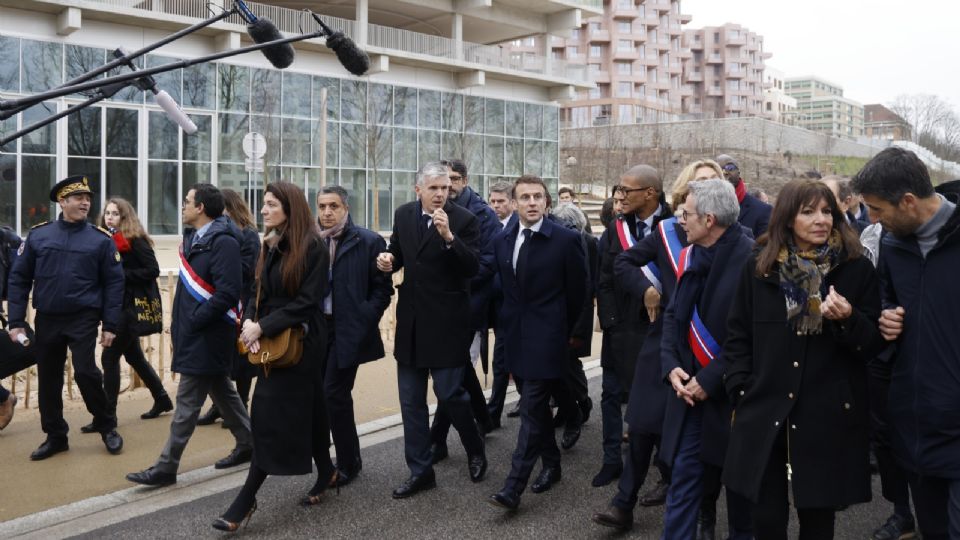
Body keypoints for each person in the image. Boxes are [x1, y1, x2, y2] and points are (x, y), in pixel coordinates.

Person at [722, 179, 882, 538]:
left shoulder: (856, 269)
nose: (821, 220)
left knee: (818, 520)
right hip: (765, 409)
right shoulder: (759, 268)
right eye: (808, 212)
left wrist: (848, 319)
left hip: (826, 413)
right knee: (765, 519)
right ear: (787, 219)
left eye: (827, 211)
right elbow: (737, 336)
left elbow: (873, 345)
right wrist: (740, 389)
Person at [593, 159, 721, 532]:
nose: (706, 188)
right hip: (664, 336)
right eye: (699, 183)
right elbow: (623, 264)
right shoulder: (668, 231)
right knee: (643, 421)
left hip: (708, 344)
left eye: (714, 182)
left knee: (695, 431)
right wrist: (647, 290)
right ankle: (624, 503)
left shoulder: (734, 237)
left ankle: (700, 509)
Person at [851, 147, 960, 540]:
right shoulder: (894, 247)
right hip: (916, 427)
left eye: (877, 210)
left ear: (909, 201)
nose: (872, 220)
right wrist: (887, 316)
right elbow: (888, 300)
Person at [212, 182, 333, 531]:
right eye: (264, 205)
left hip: (300, 344)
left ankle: (244, 501)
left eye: (269, 205)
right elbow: (255, 290)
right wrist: (249, 319)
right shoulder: (271, 242)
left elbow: (308, 302)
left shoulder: (313, 246)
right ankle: (327, 471)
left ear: (289, 208)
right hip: (270, 337)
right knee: (312, 409)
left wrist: (262, 326)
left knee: (266, 416)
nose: (262, 211)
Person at [126, 184, 252, 487]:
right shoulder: (196, 239)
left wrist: (194, 321)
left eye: (187, 201)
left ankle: (166, 467)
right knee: (224, 393)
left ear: (201, 208)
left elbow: (227, 293)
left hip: (209, 334)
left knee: (186, 405)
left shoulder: (224, 243)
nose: (183, 206)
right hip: (197, 332)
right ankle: (249, 444)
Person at [376, 161, 487, 499]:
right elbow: (399, 250)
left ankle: (475, 448)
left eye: (445, 188)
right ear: (418, 190)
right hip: (411, 322)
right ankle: (421, 471)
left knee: (451, 394)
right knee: (410, 402)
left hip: (447, 322)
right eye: (434, 188)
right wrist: (388, 260)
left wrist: (449, 237)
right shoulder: (405, 214)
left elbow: (472, 268)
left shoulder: (464, 220)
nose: (441, 194)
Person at [658, 179, 754, 540]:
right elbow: (673, 317)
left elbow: (755, 339)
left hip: (734, 397)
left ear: (709, 219)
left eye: (687, 213)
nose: (681, 220)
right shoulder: (690, 254)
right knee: (683, 481)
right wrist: (670, 366)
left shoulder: (753, 260)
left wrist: (710, 379)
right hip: (689, 395)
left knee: (741, 495)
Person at [487, 175, 587, 512]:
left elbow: (578, 294)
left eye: (538, 197)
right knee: (538, 408)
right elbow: (505, 291)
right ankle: (553, 464)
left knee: (530, 408)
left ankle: (513, 488)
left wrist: (565, 331)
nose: (532, 202)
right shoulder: (503, 240)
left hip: (549, 338)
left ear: (547, 202)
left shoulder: (566, 240)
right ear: (513, 204)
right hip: (515, 337)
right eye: (525, 197)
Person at [7, 175, 125, 459]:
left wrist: (110, 325)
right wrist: (16, 321)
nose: (86, 202)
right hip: (48, 318)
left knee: (86, 372)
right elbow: (19, 278)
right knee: (49, 378)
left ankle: (106, 425)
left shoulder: (100, 240)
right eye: (78, 198)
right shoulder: (39, 235)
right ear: (62, 201)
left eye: (88, 198)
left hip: (83, 317)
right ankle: (56, 435)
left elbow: (114, 284)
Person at [593, 164, 671, 488]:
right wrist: (610, 322)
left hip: (658, 327)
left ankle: (664, 466)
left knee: (656, 399)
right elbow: (605, 278)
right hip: (621, 326)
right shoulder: (616, 228)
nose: (619, 197)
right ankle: (612, 459)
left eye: (627, 191)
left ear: (649, 193)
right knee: (610, 393)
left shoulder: (674, 225)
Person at [317, 185, 393, 487]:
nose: (326, 212)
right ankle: (329, 458)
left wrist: (364, 317)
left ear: (345, 208)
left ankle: (349, 462)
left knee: (333, 393)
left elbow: (383, 290)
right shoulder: (312, 241)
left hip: (349, 329)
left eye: (333, 206)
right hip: (318, 329)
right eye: (322, 206)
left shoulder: (369, 241)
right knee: (323, 396)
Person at [429, 158, 499, 463]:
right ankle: (483, 419)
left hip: (469, 305)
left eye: (453, 180)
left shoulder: (481, 215)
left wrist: (454, 271)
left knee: (451, 375)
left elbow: (485, 264)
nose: (449, 187)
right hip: (437, 308)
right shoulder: (429, 210)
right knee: (460, 370)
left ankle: (437, 440)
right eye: (443, 181)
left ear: (465, 181)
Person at [85, 198, 172, 431]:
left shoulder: (135, 240)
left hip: (130, 308)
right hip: (117, 305)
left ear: (125, 217)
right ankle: (162, 398)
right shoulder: (105, 239)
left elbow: (152, 269)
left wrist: (121, 274)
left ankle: (107, 416)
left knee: (109, 357)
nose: (109, 217)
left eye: (115, 213)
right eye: (107, 213)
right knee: (134, 357)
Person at [196, 189, 260, 426]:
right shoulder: (218, 233)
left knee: (242, 358)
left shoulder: (248, 234)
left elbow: (247, 270)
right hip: (223, 301)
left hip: (241, 301)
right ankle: (219, 406)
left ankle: (241, 404)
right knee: (221, 357)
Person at [549, 202, 596, 453]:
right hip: (556, 315)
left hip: (578, 316)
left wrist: (578, 329)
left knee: (570, 365)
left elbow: (589, 286)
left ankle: (581, 403)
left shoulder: (588, 243)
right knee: (561, 366)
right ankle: (569, 410)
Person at [486, 181, 520, 426]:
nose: (496, 206)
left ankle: (575, 406)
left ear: (512, 203)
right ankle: (493, 415)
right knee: (500, 362)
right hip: (497, 306)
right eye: (493, 201)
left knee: (513, 362)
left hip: (518, 307)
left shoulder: (520, 228)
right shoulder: (488, 226)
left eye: (501, 202)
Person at [716, 154, 772, 237]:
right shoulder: (702, 210)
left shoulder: (763, 211)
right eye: (719, 169)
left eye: (730, 168)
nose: (725, 172)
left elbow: (765, 248)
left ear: (739, 172)